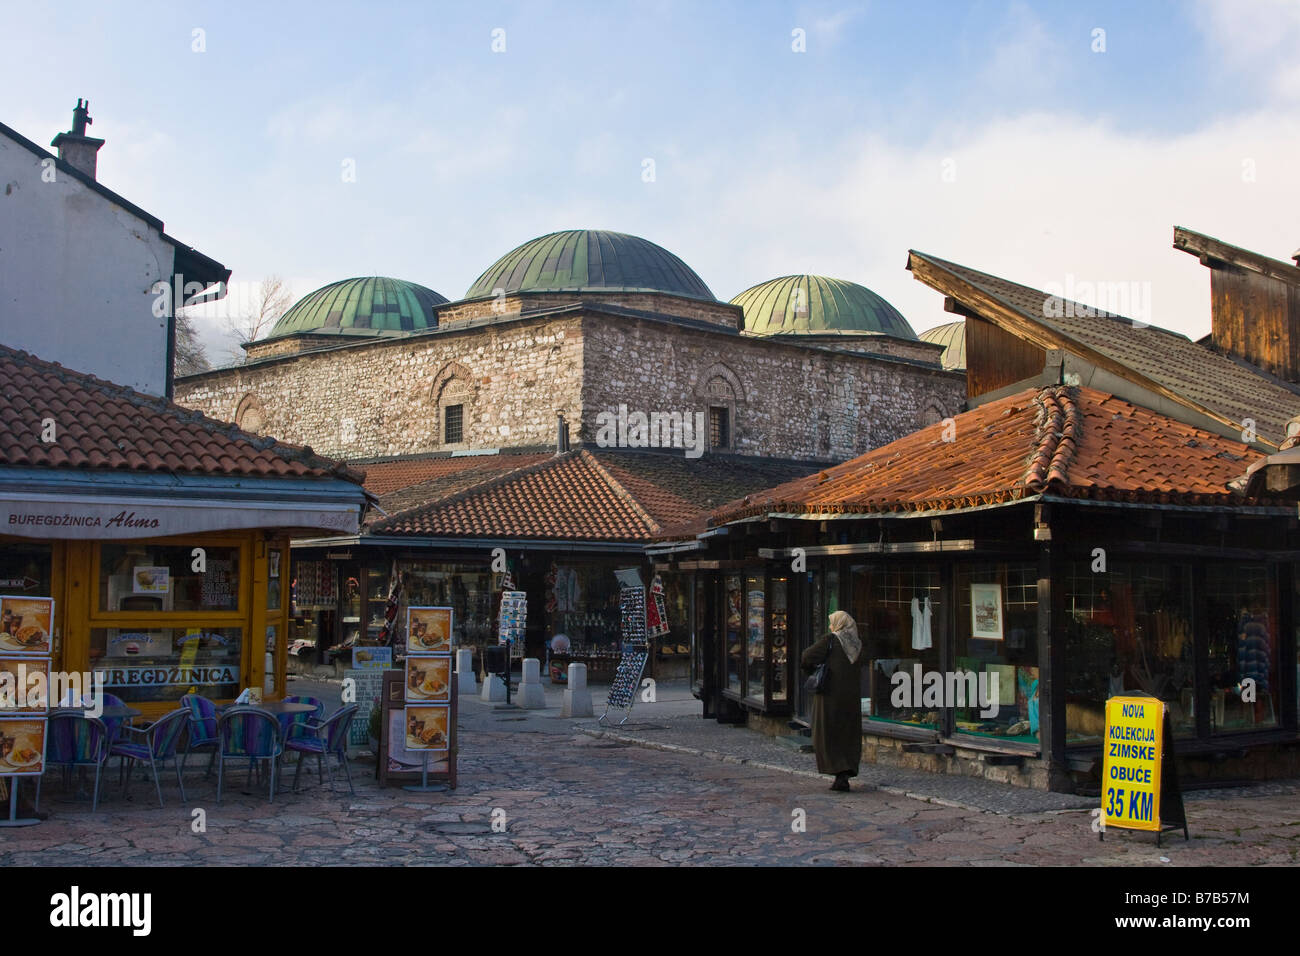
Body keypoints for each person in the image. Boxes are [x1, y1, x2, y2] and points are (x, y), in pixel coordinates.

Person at [801, 610, 864, 791]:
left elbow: (807, 656)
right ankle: (845, 771)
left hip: (830, 695)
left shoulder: (831, 640)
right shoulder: (857, 644)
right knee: (847, 734)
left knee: (828, 732)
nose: (830, 626)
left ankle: (837, 770)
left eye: (832, 622)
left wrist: (810, 670)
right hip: (851, 697)